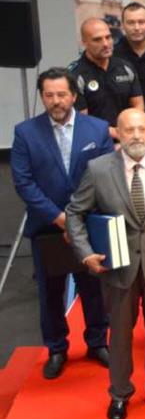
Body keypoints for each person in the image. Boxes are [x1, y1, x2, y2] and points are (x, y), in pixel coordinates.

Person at [65, 108, 145, 419]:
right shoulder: (98, 169)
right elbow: (74, 213)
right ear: (118, 135)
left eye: (141, 129)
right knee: (120, 336)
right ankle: (120, 393)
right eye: (128, 130)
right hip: (118, 269)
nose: (136, 136)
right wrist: (85, 252)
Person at [12, 68, 113, 379]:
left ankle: (97, 342)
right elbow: (23, 182)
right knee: (50, 293)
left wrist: (78, 220)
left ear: (73, 96)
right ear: (42, 96)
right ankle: (57, 348)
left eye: (61, 94)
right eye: (49, 95)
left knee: (94, 288)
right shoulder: (25, 132)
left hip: (89, 223)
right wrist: (59, 218)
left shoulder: (97, 129)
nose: (56, 101)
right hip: (48, 226)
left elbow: (107, 174)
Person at [70, 17, 145, 135]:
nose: (105, 44)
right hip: (95, 140)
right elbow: (82, 120)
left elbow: (138, 104)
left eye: (108, 37)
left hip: (128, 136)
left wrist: (130, 129)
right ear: (84, 43)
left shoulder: (126, 67)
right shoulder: (75, 75)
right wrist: (114, 133)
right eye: (97, 40)